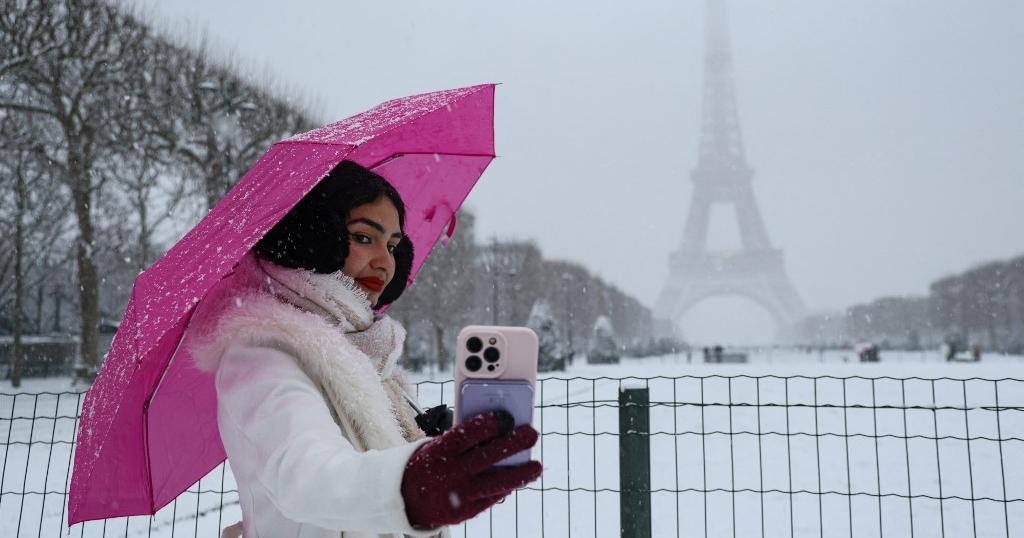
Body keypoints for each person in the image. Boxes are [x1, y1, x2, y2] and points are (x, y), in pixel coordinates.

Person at [186, 161, 542, 538]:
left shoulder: (371, 358)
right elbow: (305, 474)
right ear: (314, 236)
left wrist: (425, 445)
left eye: (393, 246)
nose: (386, 263)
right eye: (364, 237)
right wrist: (409, 485)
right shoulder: (262, 351)